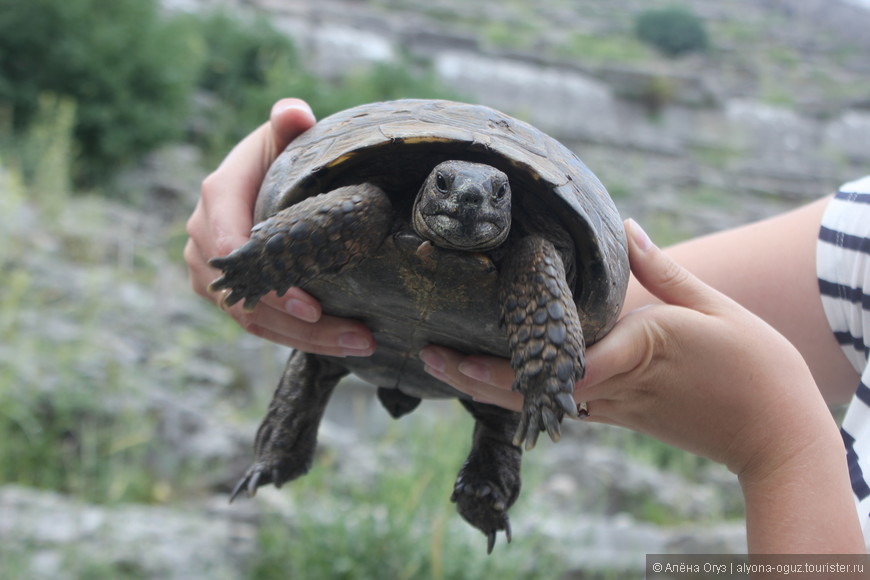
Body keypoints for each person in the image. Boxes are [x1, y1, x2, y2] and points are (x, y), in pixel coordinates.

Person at [185, 98, 867, 553]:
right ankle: (283, 452)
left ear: (511, 207)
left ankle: (490, 477)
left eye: (494, 196)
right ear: (425, 191)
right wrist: (251, 250)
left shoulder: (536, 250)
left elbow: (564, 315)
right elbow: (628, 319)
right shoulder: (371, 205)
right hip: (384, 313)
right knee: (352, 238)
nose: (472, 201)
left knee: (509, 368)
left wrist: (778, 446)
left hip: (463, 320)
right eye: (448, 189)